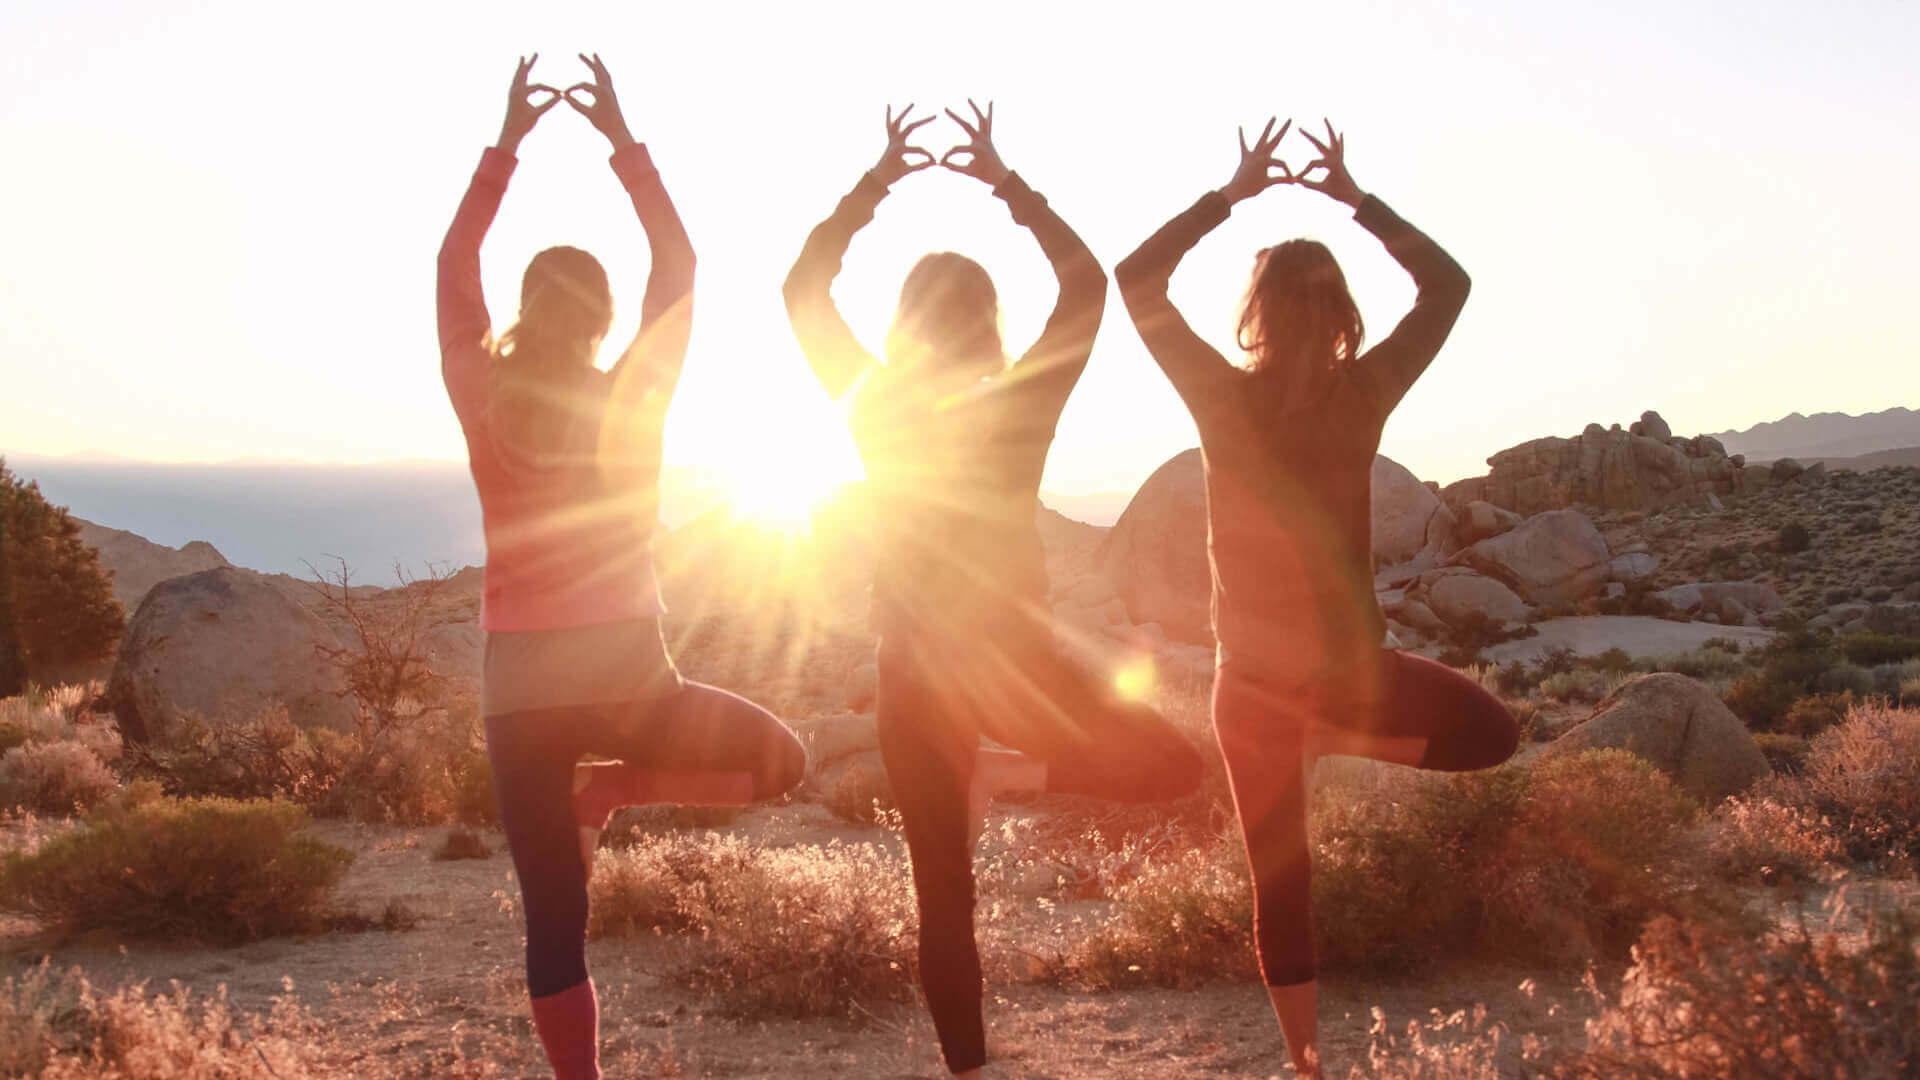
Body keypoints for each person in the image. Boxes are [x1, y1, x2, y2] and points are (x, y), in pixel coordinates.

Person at [783, 102, 1205, 1079]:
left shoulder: (875, 403)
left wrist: (876, 182)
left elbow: (804, 288)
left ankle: (967, 1069)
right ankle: (1016, 777)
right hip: (1018, 664)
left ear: (905, 326)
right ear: (988, 326)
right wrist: (1007, 184)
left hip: (916, 677)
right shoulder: (1023, 399)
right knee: (1171, 767)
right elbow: (1083, 287)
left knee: (945, 897)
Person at [1114, 118, 1520, 1077]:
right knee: (1493, 735)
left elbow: (1135, 281)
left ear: (1255, 316)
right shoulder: (1366, 388)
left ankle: (1306, 1065)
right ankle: (1335, 736)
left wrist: (1230, 195)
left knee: (1280, 881)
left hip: (1250, 688)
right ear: (1341, 317)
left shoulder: (1219, 395)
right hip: (1350, 679)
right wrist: (1354, 196)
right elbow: (1449, 286)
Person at [438, 54, 806, 1080]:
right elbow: (679, 267)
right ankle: (617, 789)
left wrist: (504, 147)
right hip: (634, 683)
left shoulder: (479, 389)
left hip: (518, 697)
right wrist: (624, 144)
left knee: (555, 919)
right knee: (786, 760)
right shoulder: (636, 393)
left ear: (525, 308)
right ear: (601, 318)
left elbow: (450, 270)